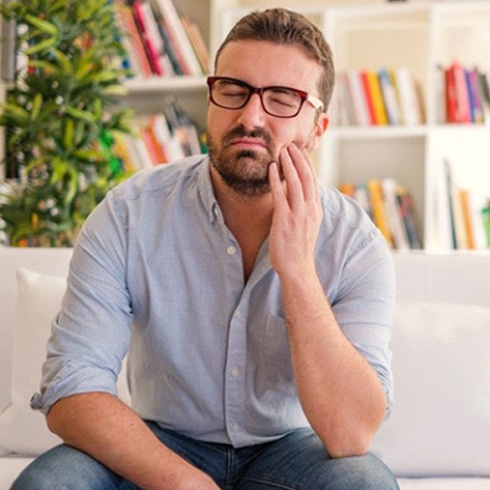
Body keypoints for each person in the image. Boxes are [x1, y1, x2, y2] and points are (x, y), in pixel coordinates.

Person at [12, 8, 399, 490]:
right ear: (211, 101)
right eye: (234, 91)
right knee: (48, 484)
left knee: (364, 483)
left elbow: (351, 434)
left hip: (291, 452)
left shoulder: (355, 244)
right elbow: (72, 385)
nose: (250, 116)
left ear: (318, 129)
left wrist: (297, 269)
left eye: (282, 99)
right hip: (162, 441)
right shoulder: (130, 214)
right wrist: (183, 482)